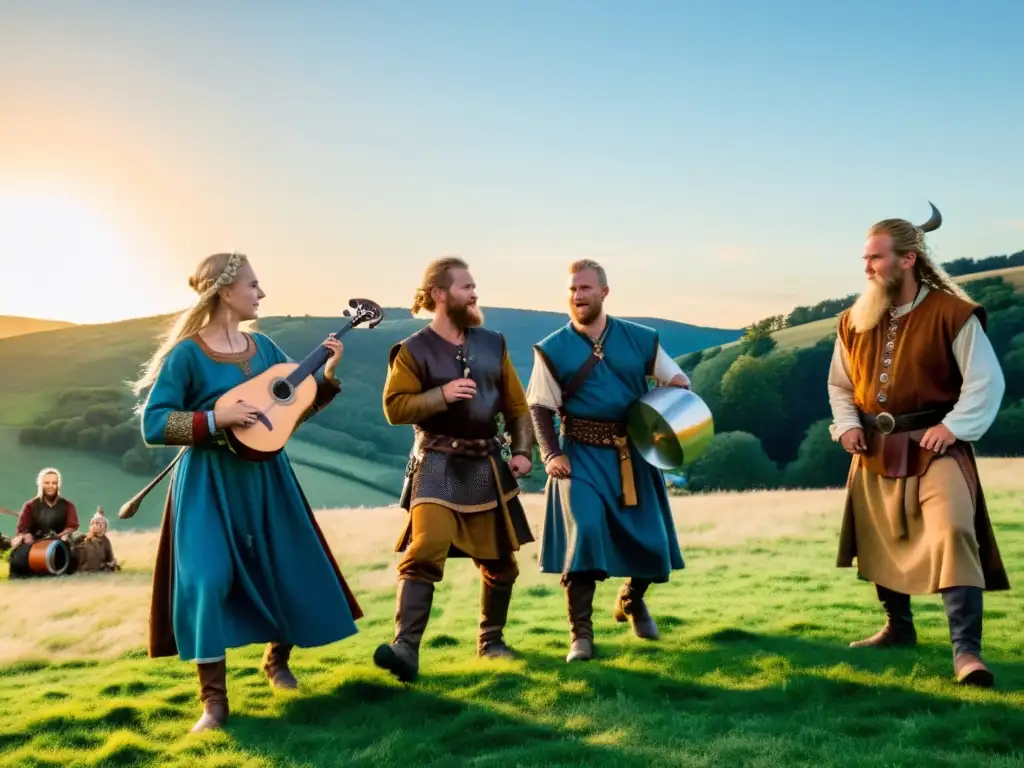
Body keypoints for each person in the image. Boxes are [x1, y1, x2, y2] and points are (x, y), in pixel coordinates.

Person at [131, 251, 363, 732]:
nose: (261, 293)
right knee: (207, 579)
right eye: (254, 285)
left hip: (266, 479)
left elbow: (289, 412)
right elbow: (155, 424)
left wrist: (329, 378)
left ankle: (277, 660)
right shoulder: (187, 355)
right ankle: (214, 703)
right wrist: (217, 419)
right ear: (225, 290)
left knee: (288, 567)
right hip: (208, 482)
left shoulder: (265, 348)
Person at [827, 204, 1009, 687]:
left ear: (908, 259)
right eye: (865, 258)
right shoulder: (853, 320)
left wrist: (954, 427)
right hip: (873, 448)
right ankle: (898, 628)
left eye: (876, 258)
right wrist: (846, 425)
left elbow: (985, 381)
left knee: (953, 531)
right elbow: (841, 386)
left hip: (936, 446)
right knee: (880, 534)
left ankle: (966, 653)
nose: (867, 267)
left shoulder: (953, 313)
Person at [374, 256, 535, 683]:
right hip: (436, 462)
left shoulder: (492, 343)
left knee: (502, 565)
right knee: (426, 548)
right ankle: (405, 649)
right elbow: (395, 408)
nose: (474, 294)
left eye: (474, 286)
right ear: (439, 295)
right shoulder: (412, 351)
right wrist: (442, 394)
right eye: (466, 287)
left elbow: (517, 408)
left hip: (486, 461)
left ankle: (492, 642)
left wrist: (522, 450)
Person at [526, 258, 689, 662]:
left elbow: (677, 380)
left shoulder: (640, 338)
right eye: (572, 289)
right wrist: (551, 453)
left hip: (633, 454)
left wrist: (671, 404)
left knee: (649, 540)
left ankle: (632, 598)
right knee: (586, 532)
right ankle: (580, 635)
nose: (577, 296)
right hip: (578, 456)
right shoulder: (552, 348)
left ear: (603, 292)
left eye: (584, 288)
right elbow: (540, 407)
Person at [7, 467, 85, 578]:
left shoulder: (68, 505)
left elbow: (72, 526)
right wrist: (25, 535)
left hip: (60, 541)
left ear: (58, 484)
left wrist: (64, 535)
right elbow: (22, 528)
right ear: (40, 484)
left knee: (76, 548)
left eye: (54, 483)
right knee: (20, 556)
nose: (51, 486)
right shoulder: (30, 505)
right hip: (34, 543)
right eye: (47, 483)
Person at [74, 508, 121, 573]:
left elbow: (111, 559)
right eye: (96, 523)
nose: (99, 526)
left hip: (99, 567)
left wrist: (113, 564)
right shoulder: (83, 538)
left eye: (101, 524)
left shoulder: (105, 541)